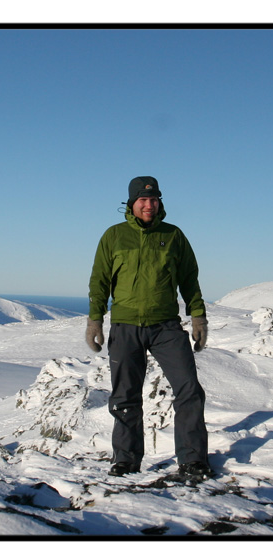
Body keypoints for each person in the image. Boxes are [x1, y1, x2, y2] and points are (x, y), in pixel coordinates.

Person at [86, 176, 211, 479]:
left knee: (189, 390)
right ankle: (126, 460)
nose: (149, 205)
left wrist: (198, 317)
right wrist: (95, 320)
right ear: (131, 203)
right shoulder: (113, 236)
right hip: (126, 325)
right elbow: (100, 280)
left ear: (160, 202)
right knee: (125, 396)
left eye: (154, 199)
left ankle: (193, 460)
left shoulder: (174, 236)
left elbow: (189, 280)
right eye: (142, 200)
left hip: (166, 326)